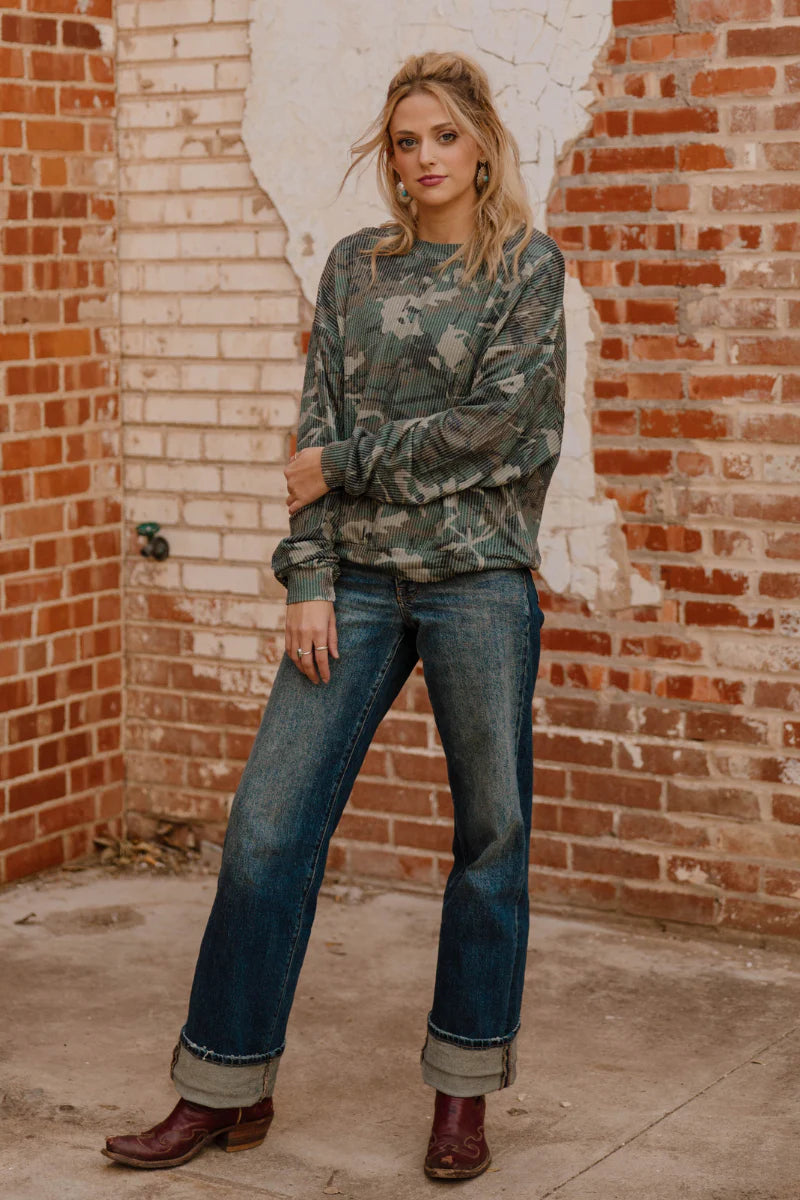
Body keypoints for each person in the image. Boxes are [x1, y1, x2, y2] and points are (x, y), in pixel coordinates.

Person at [102, 49, 566, 1182]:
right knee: (266, 828)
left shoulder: (526, 268)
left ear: (481, 145)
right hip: (352, 582)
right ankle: (223, 1087)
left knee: (490, 838)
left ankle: (461, 1096)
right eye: (406, 141)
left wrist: (350, 465)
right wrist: (306, 576)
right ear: (390, 158)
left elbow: (500, 432)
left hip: (478, 583)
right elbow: (309, 432)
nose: (423, 158)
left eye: (443, 136)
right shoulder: (357, 266)